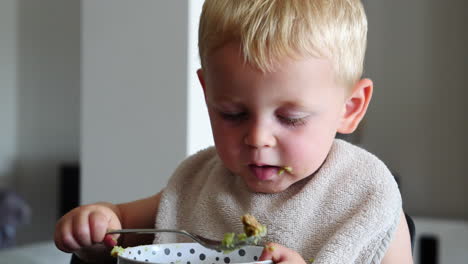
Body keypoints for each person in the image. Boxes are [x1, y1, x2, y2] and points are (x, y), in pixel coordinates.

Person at [55, 0, 414, 263]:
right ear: (208, 92)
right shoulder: (198, 183)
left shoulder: (365, 198)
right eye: (233, 113)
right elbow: (121, 228)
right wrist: (96, 226)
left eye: (290, 118)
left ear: (349, 108)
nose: (258, 138)